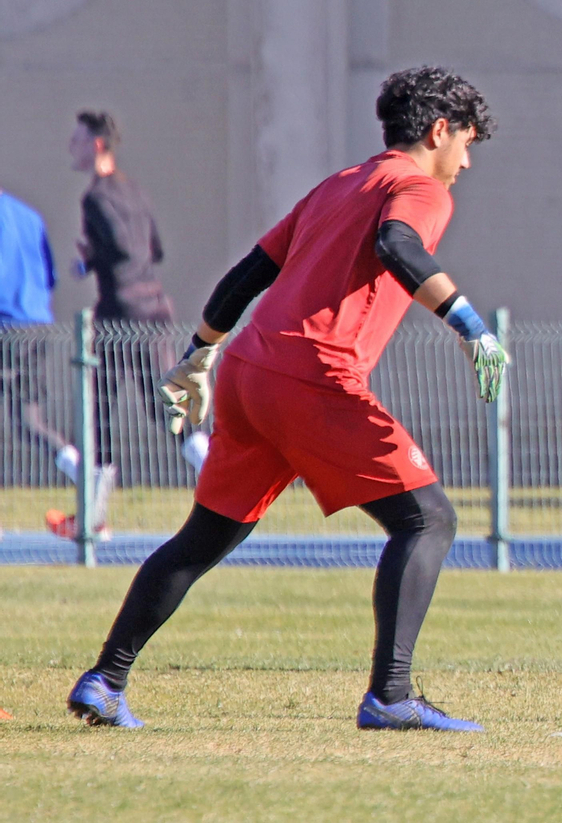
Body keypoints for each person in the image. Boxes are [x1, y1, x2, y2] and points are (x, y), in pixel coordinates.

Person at [66, 66, 509, 731]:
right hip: (312, 377)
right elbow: (396, 243)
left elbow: (249, 274)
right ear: (439, 130)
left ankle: (105, 679)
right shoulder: (419, 187)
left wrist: (198, 353)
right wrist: (471, 326)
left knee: (203, 538)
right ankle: (391, 696)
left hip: (249, 372)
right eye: (466, 144)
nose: (466, 163)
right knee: (429, 521)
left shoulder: (340, 184)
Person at [67, 111, 207, 519]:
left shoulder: (95, 198)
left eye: (77, 140)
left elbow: (124, 248)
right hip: (156, 308)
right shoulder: (136, 192)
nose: (71, 147)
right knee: (163, 402)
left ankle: (92, 518)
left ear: (97, 145)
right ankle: (216, 474)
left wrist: (91, 257)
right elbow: (154, 250)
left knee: (100, 410)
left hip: (121, 314)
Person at [0, 187, 75, 472]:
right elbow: (50, 276)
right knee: (29, 419)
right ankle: (82, 472)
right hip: (37, 326)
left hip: (6, 325)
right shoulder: (30, 216)